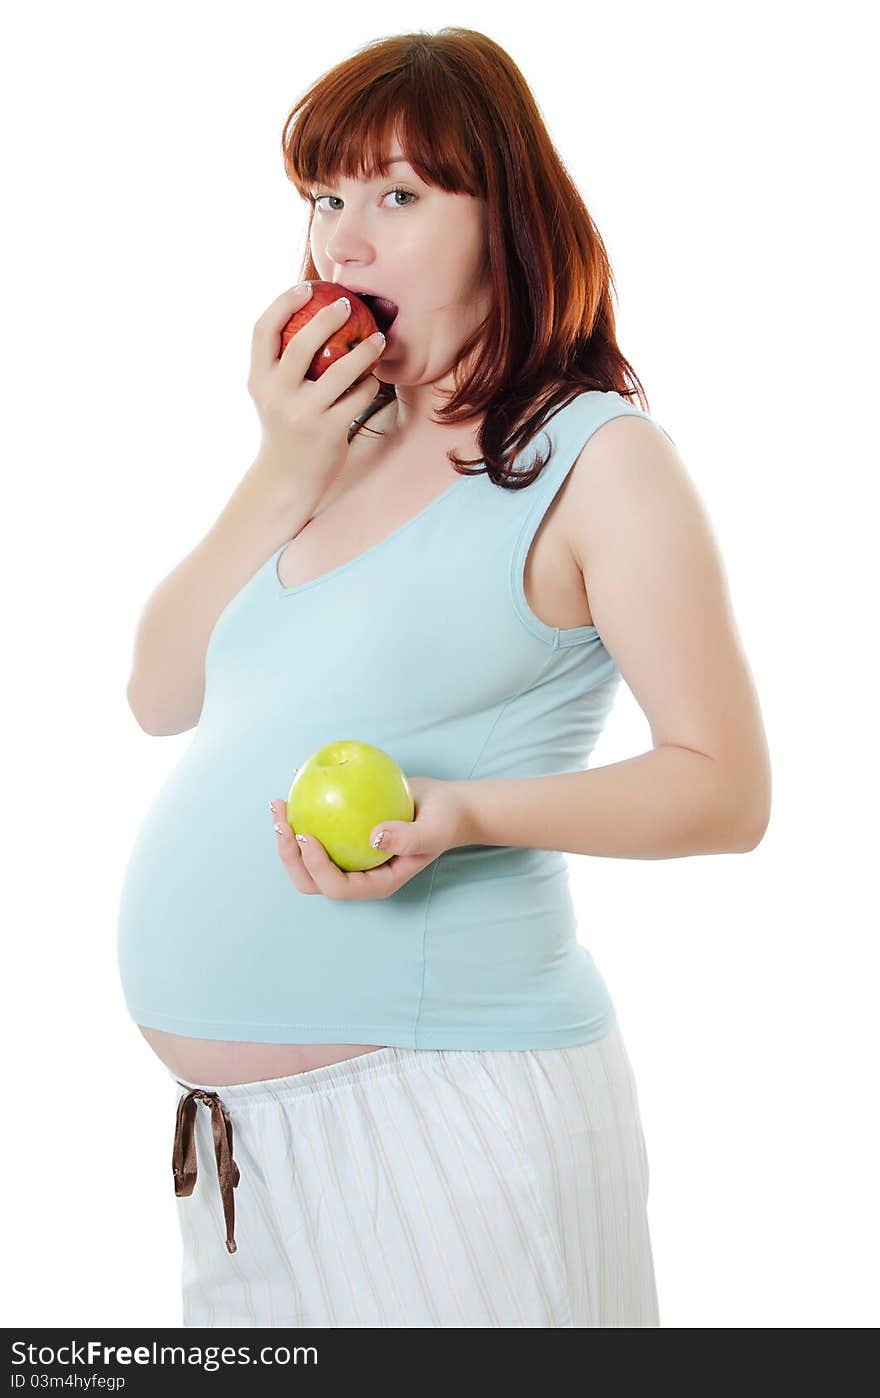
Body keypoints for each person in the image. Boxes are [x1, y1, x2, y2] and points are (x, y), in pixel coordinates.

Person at [118, 27, 771, 1328]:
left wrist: (467, 811)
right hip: (243, 1154)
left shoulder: (597, 457)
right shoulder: (332, 448)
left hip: (455, 1125)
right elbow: (158, 692)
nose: (343, 244)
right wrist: (282, 464)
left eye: (399, 196)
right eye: (326, 198)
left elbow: (724, 788)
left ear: (504, 222)